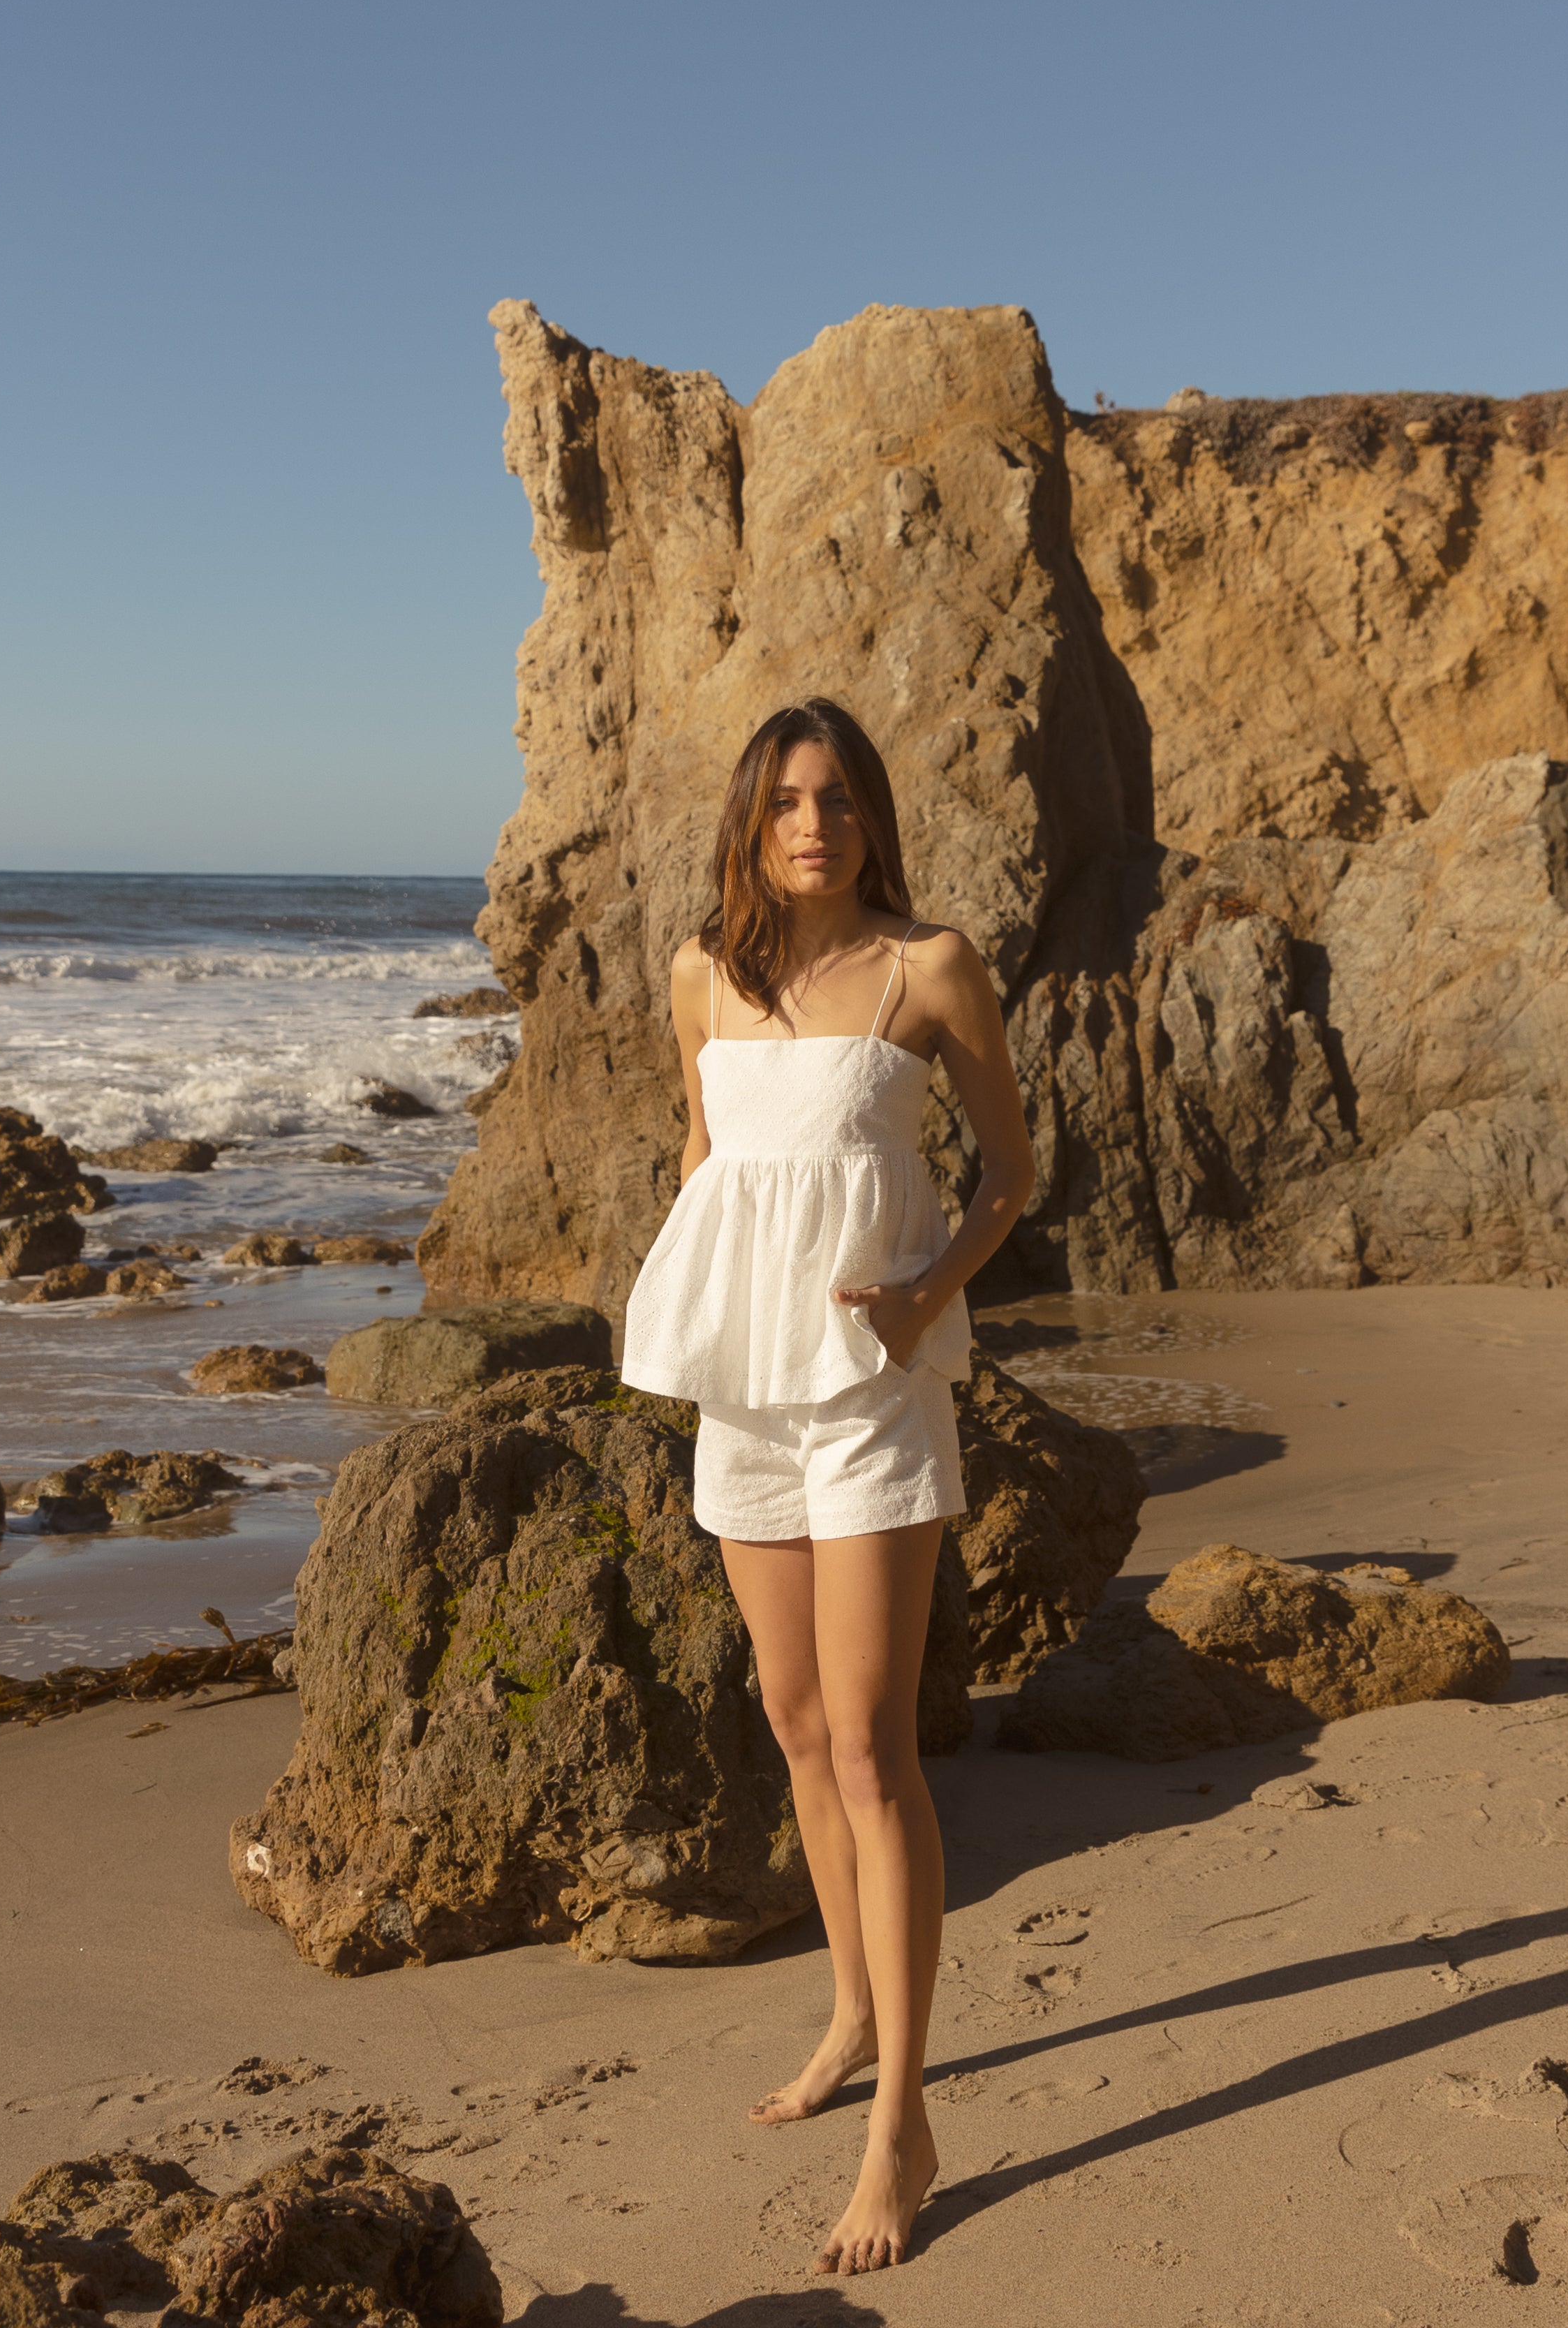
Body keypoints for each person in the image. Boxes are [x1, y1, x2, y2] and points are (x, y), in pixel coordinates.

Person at [621, 698, 1035, 2275]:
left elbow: (1009, 1171)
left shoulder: (930, 968)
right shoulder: (702, 977)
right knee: (794, 1724)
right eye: (789, 800)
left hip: (872, 1395)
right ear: (753, 818)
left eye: (841, 799)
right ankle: (852, 2012)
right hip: (747, 1404)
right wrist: (691, 1332)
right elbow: (705, 1166)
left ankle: (904, 2124)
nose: (815, 824)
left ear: (872, 820)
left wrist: (929, 1298)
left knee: (869, 1746)